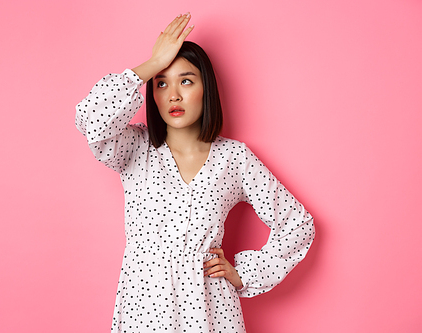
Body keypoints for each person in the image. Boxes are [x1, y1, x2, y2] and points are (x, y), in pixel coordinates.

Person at [75, 13, 315, 333]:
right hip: (145, 310)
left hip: (212, 310)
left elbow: (297, 224)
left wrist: (244, 273)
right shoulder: (134, 148)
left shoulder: (234, 159)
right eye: (162, 83)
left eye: (186, 81)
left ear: (206, 88)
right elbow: (91, 119)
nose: (173, 94)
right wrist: (151, 64)